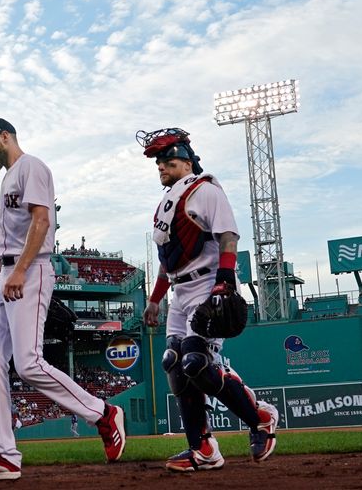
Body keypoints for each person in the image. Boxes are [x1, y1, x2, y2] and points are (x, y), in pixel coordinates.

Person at [0, 118, 125, 482]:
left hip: (28, 270)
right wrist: (9, 274)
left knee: (29, 363)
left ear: (6, 137)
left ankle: (103, 413)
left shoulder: (31, 166)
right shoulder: (8, 176)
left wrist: (19, 270)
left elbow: (42, 221)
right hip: (7, 274)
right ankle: (3, 456)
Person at [139, 127, 278, 472]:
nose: (161, 167)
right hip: (179, 291)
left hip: (206, 286)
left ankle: (259, 418)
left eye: (168, 161)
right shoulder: (166, 203)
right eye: (159, 163)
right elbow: (167, 259)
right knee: (173, 362)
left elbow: (228, 234)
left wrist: (226, 280)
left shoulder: (205, 190)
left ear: (186, 162)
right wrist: (155, 300)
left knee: (196, 362)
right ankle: (202, 448)